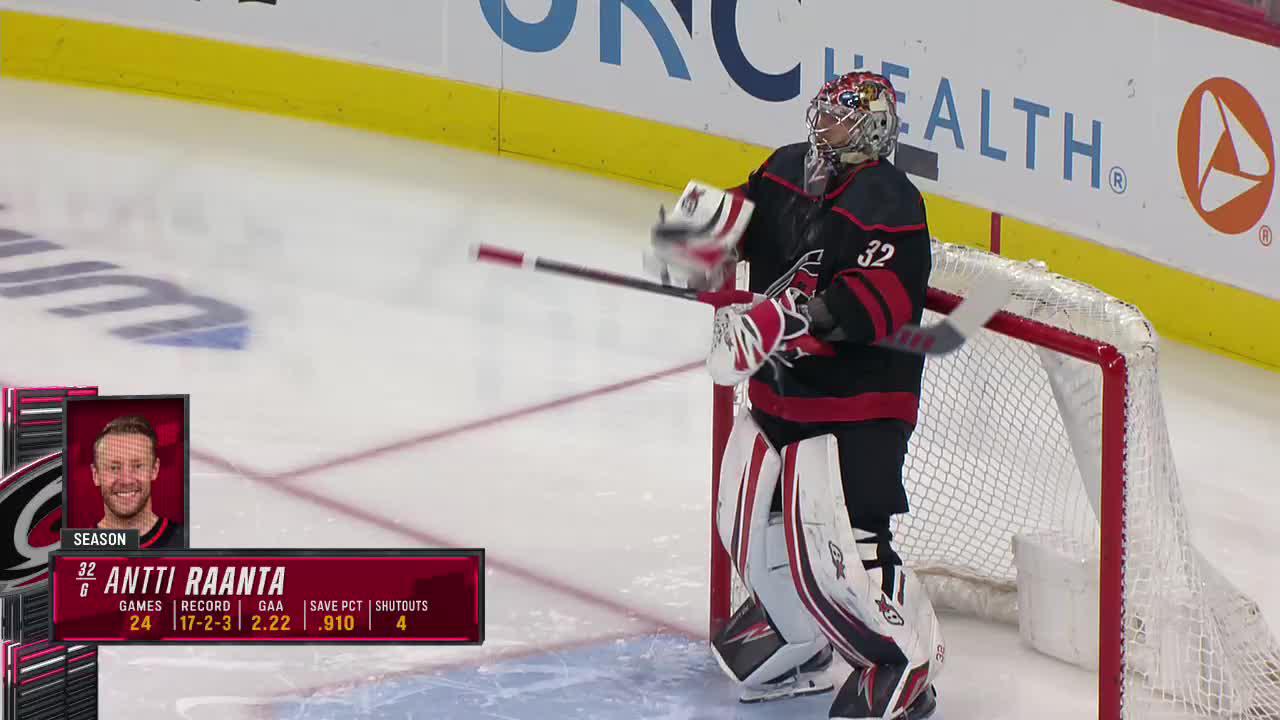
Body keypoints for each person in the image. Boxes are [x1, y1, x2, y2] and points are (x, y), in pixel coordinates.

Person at [649, 72, 942, 720]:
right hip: (783, 397)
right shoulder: (787, 169)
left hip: (859, 412)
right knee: (747, 528)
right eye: (821, 116)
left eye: (838, 121)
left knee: (849, 550)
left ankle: (906, 662)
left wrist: (790, 317)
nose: (822, 130)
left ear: (869, 131)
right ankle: (800, 641)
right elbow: (741, 209)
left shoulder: (889, 199)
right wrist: (687, 236)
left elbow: (882, 302)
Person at [90, 415, 185, 549]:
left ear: (154, 469)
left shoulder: (188, 542)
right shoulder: (74, 553)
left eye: (138, 466)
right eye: (114, 467)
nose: (126, 480)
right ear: (96, 475)